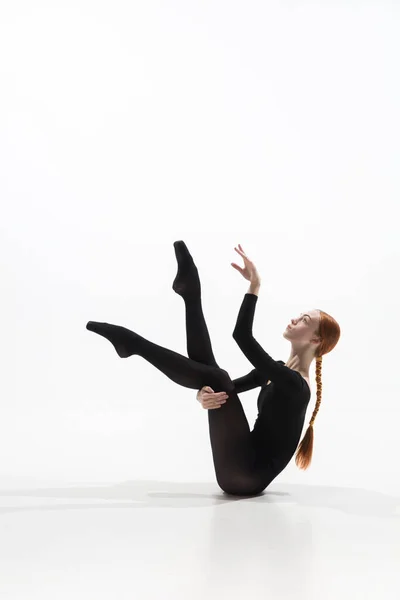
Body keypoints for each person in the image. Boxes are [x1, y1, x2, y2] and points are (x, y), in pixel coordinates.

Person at [86, 241, 340, 497]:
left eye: (304, 321)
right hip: (240, 456)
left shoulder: (295, 385)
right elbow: (228, 389)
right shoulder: (276, 370)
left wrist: (255, 286)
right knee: (215, 375)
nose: (295, 319)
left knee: (216, 375)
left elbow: (241, 336)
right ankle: (189, 294)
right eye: (300, 315)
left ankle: (137, 341)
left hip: (245, 477)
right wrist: (202, 394)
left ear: (315, 341)